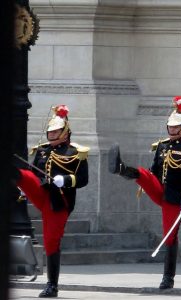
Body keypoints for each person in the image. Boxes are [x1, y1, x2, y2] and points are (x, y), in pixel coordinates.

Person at [108, 96, 181, 289]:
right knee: (144, 173)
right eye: (171, 126)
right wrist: (147, 180)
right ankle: (121, 168)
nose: (172, 129)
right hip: (159, 189)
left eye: (176, 127)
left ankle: (168, 277)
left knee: (170, 235)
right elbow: (154, 170)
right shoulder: (162, 145)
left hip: (175, 199)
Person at [14, 104, 89, 297]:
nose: (52, 135)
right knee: (21, 174)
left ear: (65, 132)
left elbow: (83, 180)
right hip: (41, 193)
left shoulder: (75, 153)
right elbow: (32, 173)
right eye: (50, 132)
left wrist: (64, 180)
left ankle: (52, 285)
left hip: (59, 201)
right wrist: (24, 188)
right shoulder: (42, 150)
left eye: (56, 132)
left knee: (51, 241)